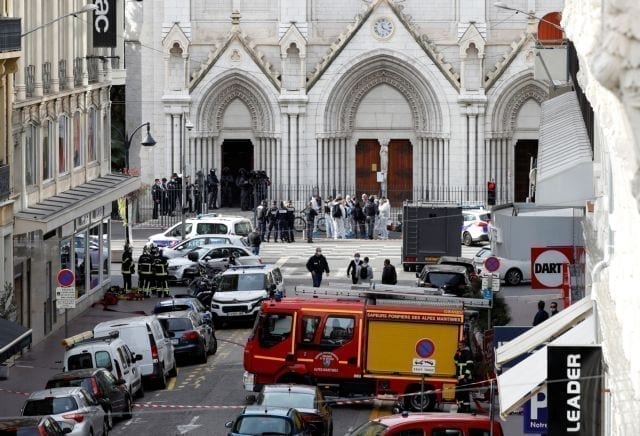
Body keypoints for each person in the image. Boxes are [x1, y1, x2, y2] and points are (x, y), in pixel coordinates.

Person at [454, 340, 474, 413]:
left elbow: (470, 366)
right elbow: (456, 362)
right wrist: (456, 354)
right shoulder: (459, 353)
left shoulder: (468, 353)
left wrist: (466, 376)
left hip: (465, 377)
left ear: (464, 345)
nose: (459, 347)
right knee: (459, 393)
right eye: (459, 345)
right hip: (460, 376)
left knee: (465, 393)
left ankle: (467, 407)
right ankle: (461, 407)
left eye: (461, 345)